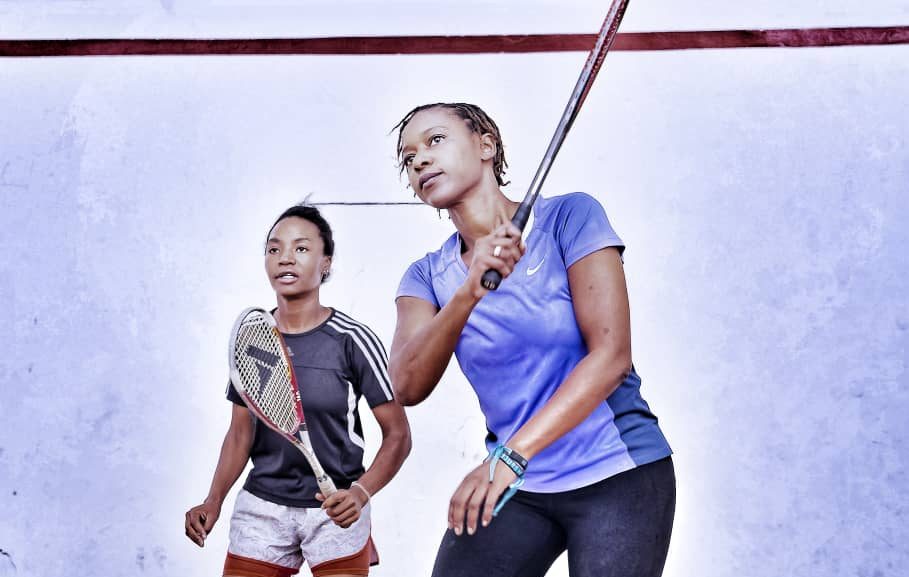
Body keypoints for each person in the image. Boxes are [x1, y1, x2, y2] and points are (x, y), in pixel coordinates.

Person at [389, 103, 675, 577]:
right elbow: (406, 385)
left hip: (616, 471)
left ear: (486, 145)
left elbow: (611, 357)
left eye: (435, 140)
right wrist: (468, 293)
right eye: (408, 157)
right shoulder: (425, 277)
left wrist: (512, 457)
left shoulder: (570, 218)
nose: (419, 160)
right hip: (518, 487)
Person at [185, 204, 411, 577]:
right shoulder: (253, 337)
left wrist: (360, 493)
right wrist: (214, 500)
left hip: (336, 508)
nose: (285, 258)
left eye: (301, 248)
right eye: (274, 249)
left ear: (326, 262)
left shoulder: (352, 339)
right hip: (263, 508)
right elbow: (240, 434)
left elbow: (398, 435)